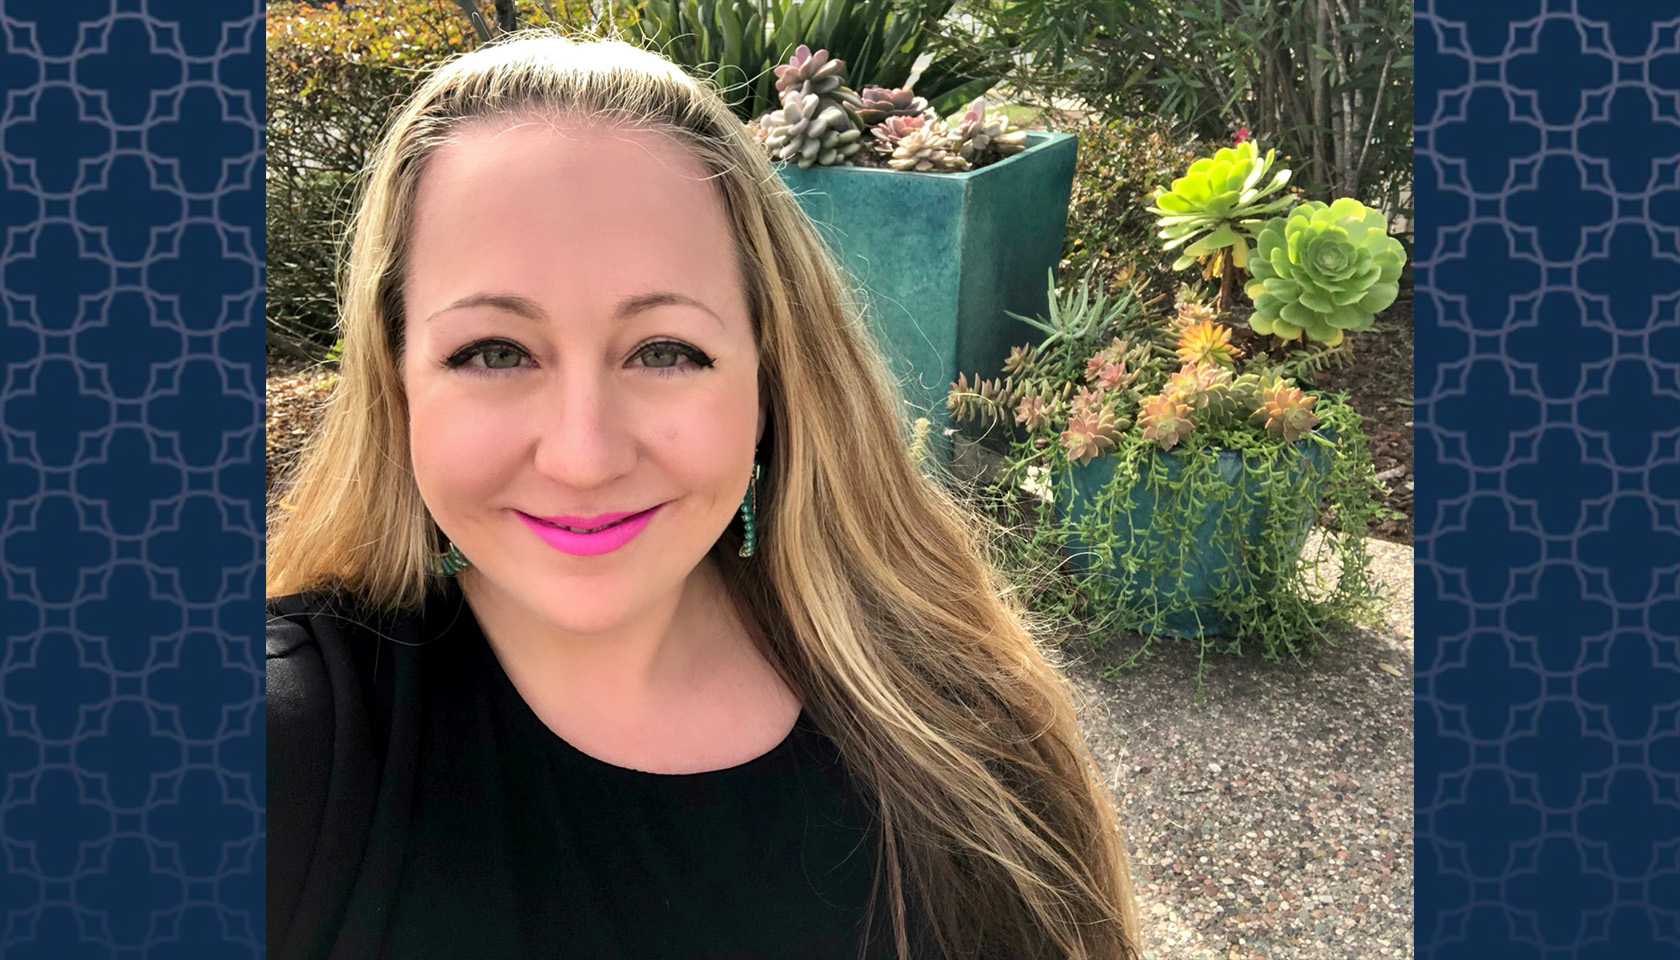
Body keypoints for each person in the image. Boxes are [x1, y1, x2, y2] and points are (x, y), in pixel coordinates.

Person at [267, 30, 1143, 960]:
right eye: (493, 352)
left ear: (771, 375)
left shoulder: (959, 730)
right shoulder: (276, 748)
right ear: (396, 378)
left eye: (664, 351)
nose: (583, 457)